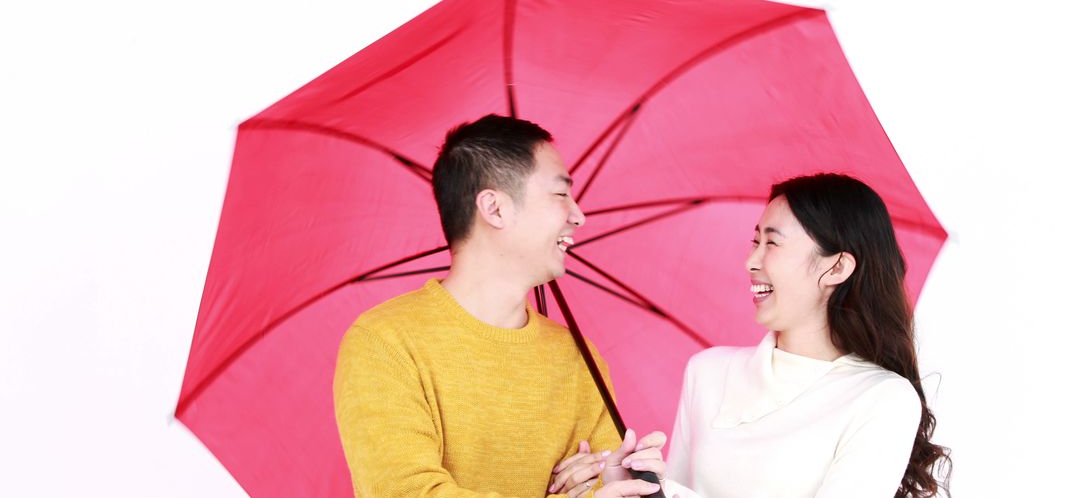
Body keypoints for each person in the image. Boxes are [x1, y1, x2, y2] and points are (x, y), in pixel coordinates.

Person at [333, 115, 667, 497]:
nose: (578, 215)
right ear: (494, 208)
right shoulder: (385, 342)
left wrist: (624, 485)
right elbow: (408, 493)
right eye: (561, 194)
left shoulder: (579, 358)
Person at [666, 173, 951, 497]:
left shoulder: (882, 398)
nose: (750, 261)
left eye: (772, 243)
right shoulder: (707, 372)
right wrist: (639, 485)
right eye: (755, 242)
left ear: (837, 268)